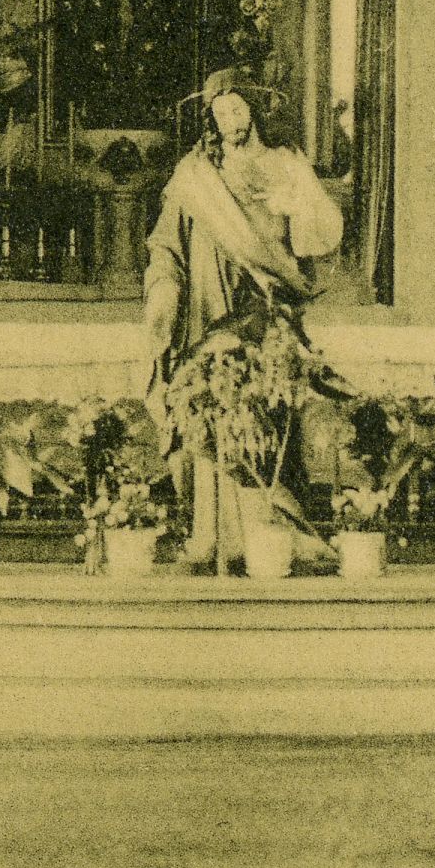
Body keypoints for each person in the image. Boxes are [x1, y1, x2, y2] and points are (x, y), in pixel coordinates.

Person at [142, 68, 344, 569]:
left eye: (237, 108)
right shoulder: (195, 174)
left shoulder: (284, 162)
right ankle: (212, 537)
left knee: (261, 414)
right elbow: (166, 245)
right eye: (219, 111)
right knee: (204, 410)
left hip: (263, 310)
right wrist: (163, 292)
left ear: (254, 110)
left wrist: (294, 207)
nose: (229, 118)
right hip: (204, 310)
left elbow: (321, 236)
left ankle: (269, 537)